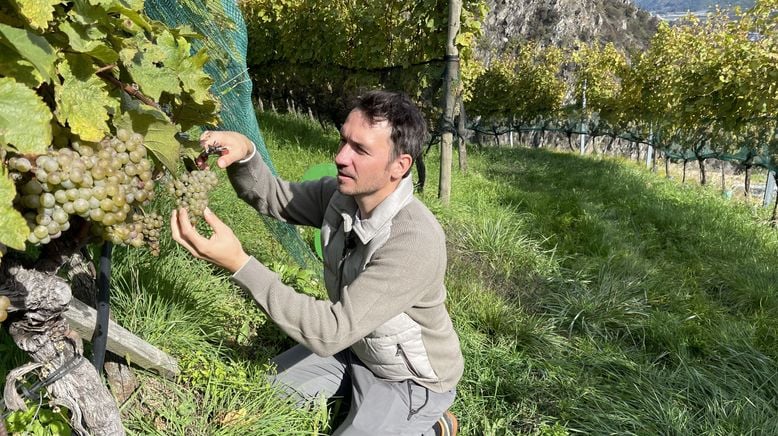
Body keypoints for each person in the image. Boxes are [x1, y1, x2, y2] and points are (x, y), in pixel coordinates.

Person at [171, 90, 463, 435]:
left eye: (360, 149)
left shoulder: (414, 242)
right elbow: (275, 198)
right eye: (343, 141)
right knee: (262, 394)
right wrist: (244, 152)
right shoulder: (341, 197)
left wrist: (240, 264)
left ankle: (434, 426)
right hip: (353, 347)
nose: (341, 157)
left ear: (399, 166)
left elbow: (329, 332)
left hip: (410, 379)